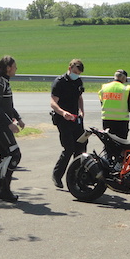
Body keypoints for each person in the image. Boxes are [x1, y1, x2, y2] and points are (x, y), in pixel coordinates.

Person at [0, 55, 25, 202]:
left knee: (5, 156)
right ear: (8, 67)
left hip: (1, 123)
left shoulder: (2, 81)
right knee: (15, 154)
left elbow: (7, 105)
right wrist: (9, 122)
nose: (16, 69)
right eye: (14, 66)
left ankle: (2, 190)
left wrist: (19, 118)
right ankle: (5, 190)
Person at [50, 59, 87, 188]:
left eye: (78, 73)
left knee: (81, 146)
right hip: (63, 119)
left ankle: (77, 177)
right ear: (69, 68)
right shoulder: (59, 82)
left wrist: (82, 111)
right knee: (69, 148)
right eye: (75, 72)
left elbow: (79, 97)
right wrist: (62, 112)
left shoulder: (78, 81)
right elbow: (53, 102)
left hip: (76, 118)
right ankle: (57, 175)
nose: (76, 75)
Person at [99, 69, 130, 139]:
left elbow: (102, 103)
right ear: (123, 78)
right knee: (121, 146)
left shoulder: (104, 87)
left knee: (108, 143)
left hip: (107, 120)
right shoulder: (125, 89)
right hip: (121, 122)